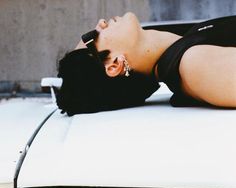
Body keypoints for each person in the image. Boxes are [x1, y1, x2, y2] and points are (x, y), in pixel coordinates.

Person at [57, 12, 236, 116]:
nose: (101, 24)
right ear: (113, 65)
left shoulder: (185, 45)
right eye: (91, 37)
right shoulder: (194, 65)